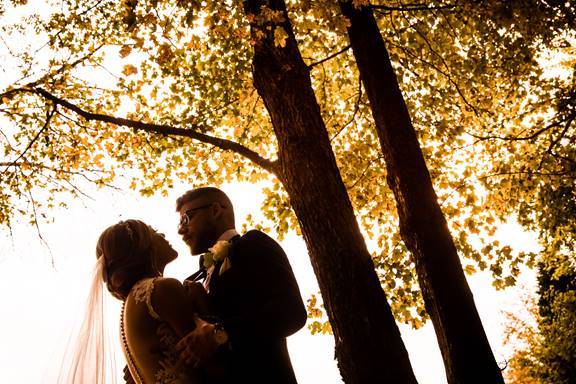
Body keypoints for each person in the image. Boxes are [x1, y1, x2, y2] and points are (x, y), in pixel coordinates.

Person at [61, 219, 224, 384]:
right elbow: (211, 361)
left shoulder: (132, 303)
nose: (162, 234)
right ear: (142, 246)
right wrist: (203, 304)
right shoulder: (163, 289)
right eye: (153, 231)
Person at [174, 187, 307, 384]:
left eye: (186, 218)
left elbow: (292, 312)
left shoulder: (252, 244)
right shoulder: (203, 272)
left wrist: (220, 333)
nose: (180, 229)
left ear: (216, 210)